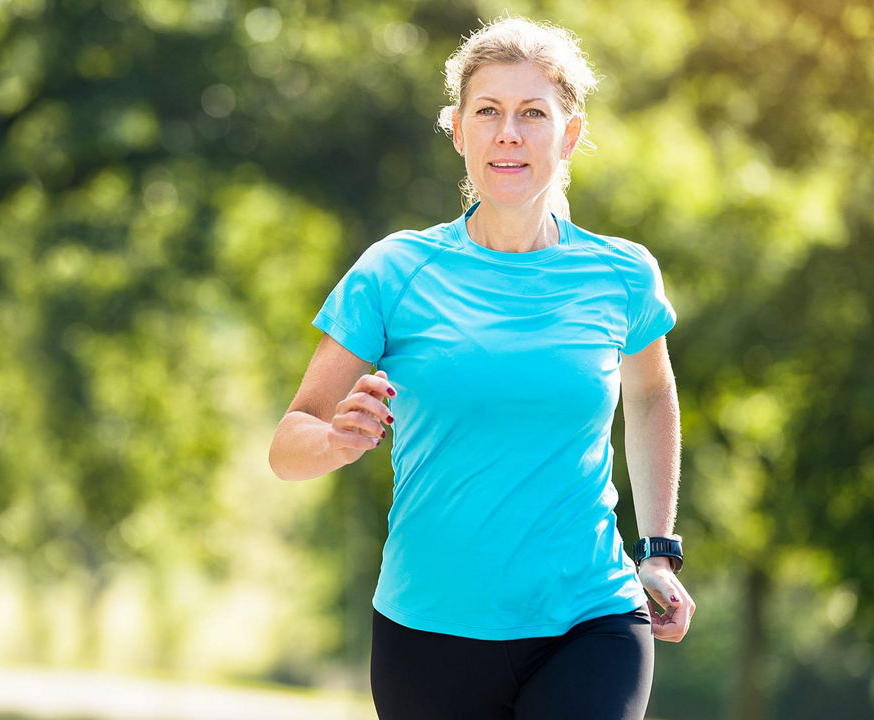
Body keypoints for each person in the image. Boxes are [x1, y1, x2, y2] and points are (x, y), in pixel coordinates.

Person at [268, 15, 695, 720]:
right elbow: (289, 445)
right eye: (488, 112)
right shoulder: (395, 272)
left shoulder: (621, 274)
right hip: (430, 630)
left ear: (571, 135)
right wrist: (337, 441)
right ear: (459, 132)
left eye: (533, 113)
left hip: (592, 617)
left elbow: (649, 394)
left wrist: (657, 550)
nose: (509, 133)